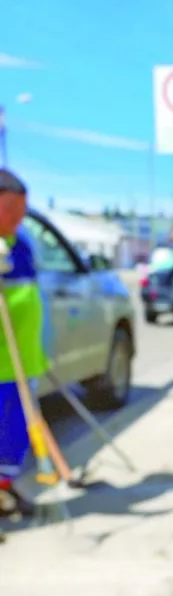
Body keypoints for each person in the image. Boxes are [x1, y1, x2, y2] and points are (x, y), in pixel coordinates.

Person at [0, 168, 48, 521]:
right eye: (10, 210)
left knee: (15, 437)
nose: (17, 218)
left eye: (22, 211)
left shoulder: (21, 246)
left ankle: (5, 490)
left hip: (22, 363)